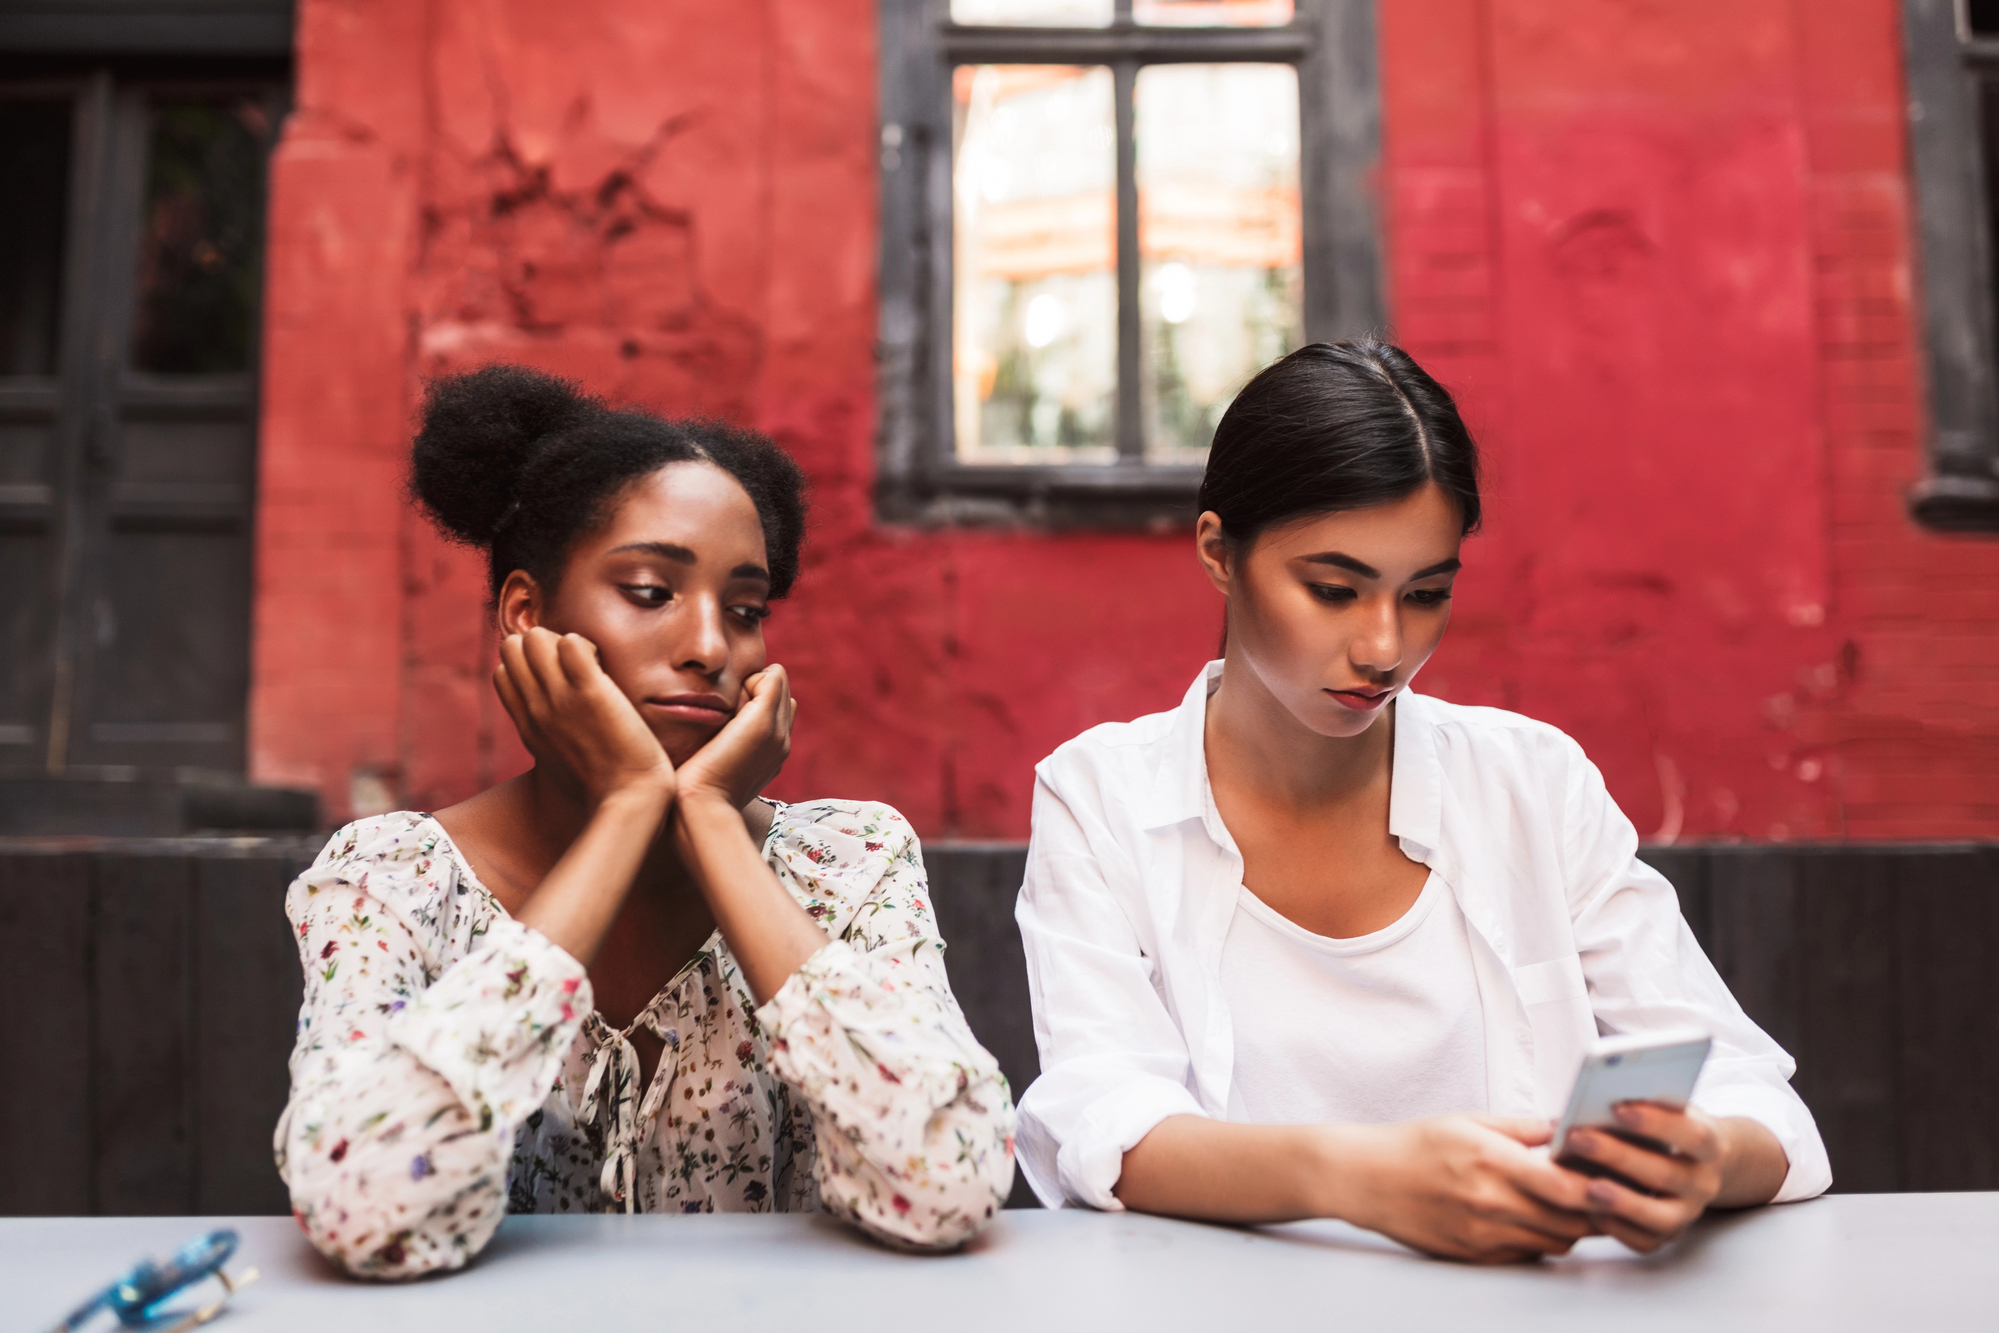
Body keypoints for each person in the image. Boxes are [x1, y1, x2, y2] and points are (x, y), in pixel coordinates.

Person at [1014, 340, 1831, 1262]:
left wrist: (1702, 1158)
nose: (1382, 646)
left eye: (1426, 593)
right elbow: (1099, 1124)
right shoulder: (1102, 797)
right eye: (1333, 589)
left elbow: (1754, 1096)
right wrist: (1362, 1182)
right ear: (1218, 553)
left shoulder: (1530, 782)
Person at [275, 367, 1014, 1277]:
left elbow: (952, 1179)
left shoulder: (849, 865)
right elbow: (360, 1205)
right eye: (651, 591)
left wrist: (705, 818)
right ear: (525, 616)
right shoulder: (392, 880)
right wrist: (625, 812)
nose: (711, 645)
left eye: (746, 610)